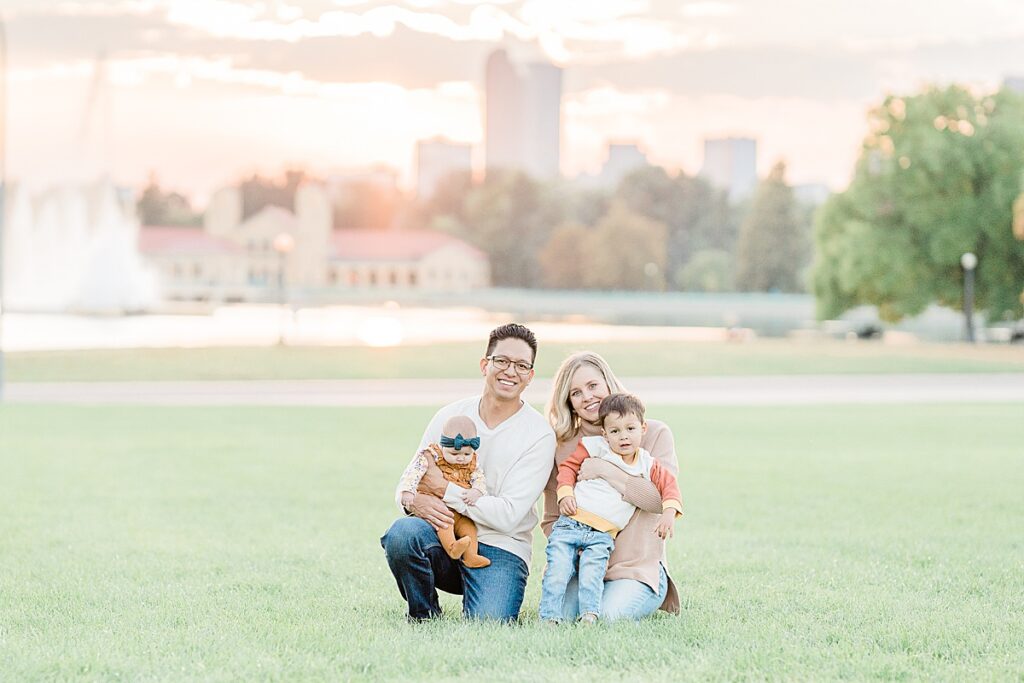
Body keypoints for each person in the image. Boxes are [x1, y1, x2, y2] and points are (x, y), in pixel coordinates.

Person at [380, 323, 556, 622]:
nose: (510, 371)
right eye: (501, 361)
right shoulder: (449, 416)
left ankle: (487, 594)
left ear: (530, 376)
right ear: (484, 364)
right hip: (443, 534)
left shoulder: (539, 435)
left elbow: (509, 515)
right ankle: (424, 615)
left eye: (521, 365)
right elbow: (411, 478)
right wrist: (411, 502)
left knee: (488, 622)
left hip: (502, 547)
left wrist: (445, 490)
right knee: (402, 535)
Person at [542, 352, 682, 621]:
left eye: (593, 386)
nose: (588, 397)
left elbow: (657, 500)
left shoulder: (651, 433)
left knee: (606, 617)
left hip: (635, 567)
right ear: (569, 403)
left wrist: (605, 471)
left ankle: (651, 591)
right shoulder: (564, 448)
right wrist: (576, 549)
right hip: (583, 565)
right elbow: (551, 519)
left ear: (608, 383)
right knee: (561, 616)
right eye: (576, 393)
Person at [396, 415, 490, 568]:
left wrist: (477, 491)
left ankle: (471, 556)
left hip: (461, 512)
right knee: (444, 524)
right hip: (440, 510)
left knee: (469, 528)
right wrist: (408, 491)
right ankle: (453, 548)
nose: (461, 458)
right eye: (455, 454)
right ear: (443, 446)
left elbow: (479, 478)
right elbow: (414, 472)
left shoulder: (472, 462)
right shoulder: (432, 455)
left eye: (466, 454)